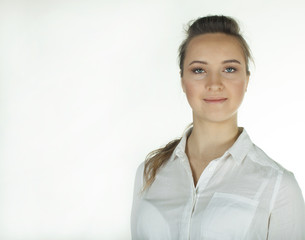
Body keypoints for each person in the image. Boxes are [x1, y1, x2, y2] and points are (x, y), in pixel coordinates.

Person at [130, 15, 305, 240]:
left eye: (229, 69)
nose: (214, 84)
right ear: (182, 80)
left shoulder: (279, 186)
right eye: (199, 70)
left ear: (247, 80)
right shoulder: (148, 173)